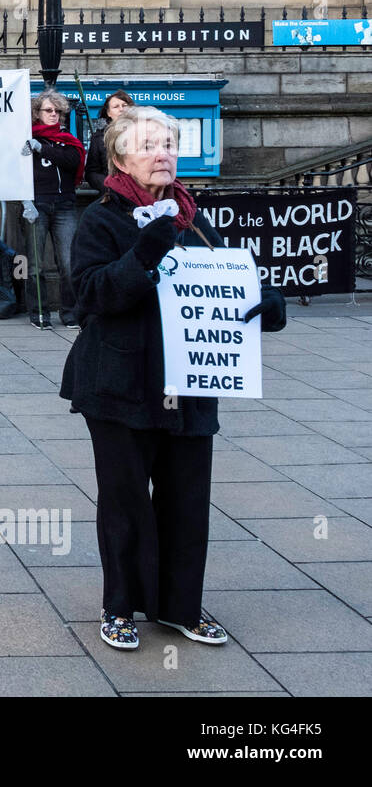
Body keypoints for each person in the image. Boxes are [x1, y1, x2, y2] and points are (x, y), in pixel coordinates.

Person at [60, 105, 286, 652]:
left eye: (169, 144)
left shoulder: (192, 217)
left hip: (190, 383)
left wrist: (264, 304)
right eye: (149, 145)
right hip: (119, 381)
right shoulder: (103, 219)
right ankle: (120, 607)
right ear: (119, 157)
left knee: (187, 498)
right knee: (126, 499)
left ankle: (180, 606)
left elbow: (223, 287)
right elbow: (86, 296)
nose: (163, 154)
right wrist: (143, 254)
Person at [22, 90, 86, 329]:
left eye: (57, 111)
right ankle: (39, 313)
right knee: (35, 263)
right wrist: (24, 201)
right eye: (48, 110)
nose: (54, 115)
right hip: (37, 203)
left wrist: (43, 149)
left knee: (69, 262)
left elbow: (72, 161)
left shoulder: (66, 138)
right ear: (37, 113)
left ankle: (69, 313)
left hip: (64, 204)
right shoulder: (27, 138)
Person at [83, 89, 134, 194]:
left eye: (125, 105)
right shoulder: (99, 138)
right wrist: (110, 185)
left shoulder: (145, 133)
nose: (121, 109)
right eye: (116, 107)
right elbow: (91, 173)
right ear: (108, 113)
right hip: (112, 195)